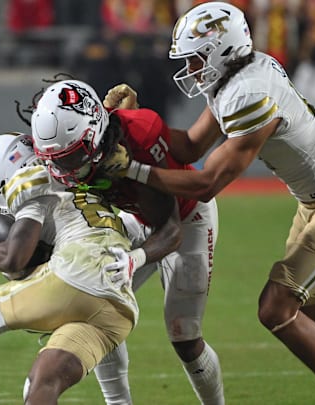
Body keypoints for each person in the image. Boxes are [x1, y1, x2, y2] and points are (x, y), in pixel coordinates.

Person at [110, 3, 315, 404]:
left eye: (198, 58)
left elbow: (205, 184)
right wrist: (131, 125)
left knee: (276, 307)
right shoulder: (239, 75)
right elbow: (187, 145)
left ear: (223, 49)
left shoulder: (249, 93)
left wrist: (132, 169)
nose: (192, 69)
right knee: (309, 315)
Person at [0, 131, 178, 405]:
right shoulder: (75, 177)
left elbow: (14, 260)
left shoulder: (31, 180)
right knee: (42, 381)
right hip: (119, 302)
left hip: (75, 273)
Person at [31, 79, 225, 404]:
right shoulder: (85, 139)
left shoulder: (140, 135)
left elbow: (171, 227)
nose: (62, 168)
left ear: (92, 135)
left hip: (186, 217)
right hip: (137, 216)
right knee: (100, 300)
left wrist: (134, 257)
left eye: (70, 157)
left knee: (185, 337)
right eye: (56, 158)